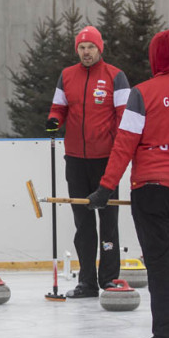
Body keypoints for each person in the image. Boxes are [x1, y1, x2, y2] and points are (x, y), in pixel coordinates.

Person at [85, 29, 169, 338]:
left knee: (159, 263)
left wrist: (105, 186)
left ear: (155, 57)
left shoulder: (142, 94)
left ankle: (166, 336)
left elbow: (124, 144)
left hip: (152, 189)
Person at [45, 25, 131, 298]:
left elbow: (125, 118)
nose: (86, 52)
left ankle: (109, 278)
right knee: (83, 223)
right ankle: (87, 281)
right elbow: (59, 107)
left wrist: (117, 148)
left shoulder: (116, 77)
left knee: (108, 221)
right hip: (75, 160)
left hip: (106, 160)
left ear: (99, 48)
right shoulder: (67, 76)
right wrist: (54, 121)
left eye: (90, 47)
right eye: (81, 48)